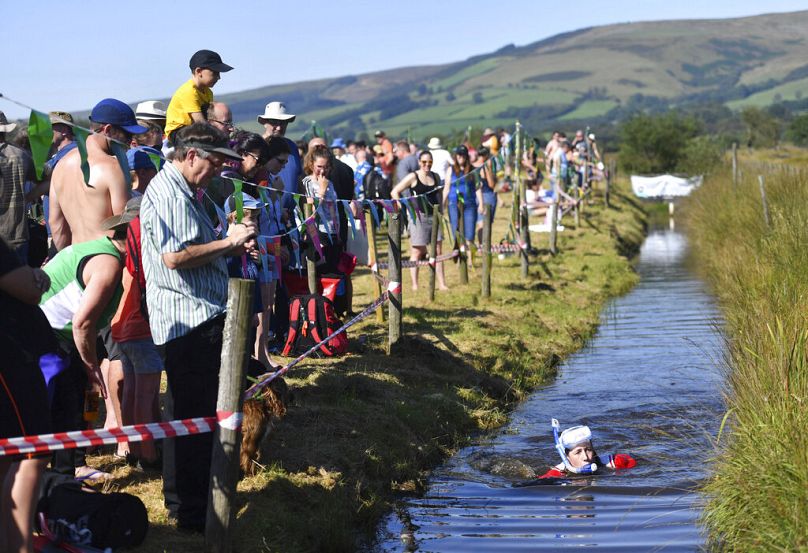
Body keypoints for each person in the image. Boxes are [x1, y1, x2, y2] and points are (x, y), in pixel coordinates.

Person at [140, 123, 255, 533]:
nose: (218, 170)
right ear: (191, 155)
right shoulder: (170, 191)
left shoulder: (185, 190)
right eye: (215, 162)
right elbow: (176, 256)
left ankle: (189, 503)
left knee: (193, 416)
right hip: (188, 321)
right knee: (193, 421)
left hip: (199, 315)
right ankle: (190, 514)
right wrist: (230, 243)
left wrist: (227, 239)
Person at [38, 206, 133, 481]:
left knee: (80, 397)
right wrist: (91, 366)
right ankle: (67, 472)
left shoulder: (101, 248)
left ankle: (72, 462)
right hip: (51, 334)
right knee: (72, 399)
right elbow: (81, 324)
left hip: (55, 331)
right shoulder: (109, 265)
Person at [0, 236, 55, 553]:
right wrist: (37, 278)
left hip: (14, 353)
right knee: (31, 454)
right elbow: (29, 289)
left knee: (11, 458)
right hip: (11, 356)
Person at [49, 98, 146, 251]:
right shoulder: (112, 168)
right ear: (107, 130)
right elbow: (125, 225)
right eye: (126, 134)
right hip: (108, 258)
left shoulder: (60, 166)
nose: (130, 141)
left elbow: (56, 225)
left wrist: (66, 262)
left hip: (76, 261)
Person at [391, 150, 448, 291]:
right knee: (416, 251)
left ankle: (442, 284)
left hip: (435, 216)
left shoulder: (436, 176)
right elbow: (395, 191)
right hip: (418, 216)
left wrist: (441, 210)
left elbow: (439, 195)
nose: (427, 165)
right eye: (424, 162)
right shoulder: (413, 176)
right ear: (419, 162)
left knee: (438, 251)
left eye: (429, 162)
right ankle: (415, 285)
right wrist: (399, 205)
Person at [164, 49, 233, 139]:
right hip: (179, 131)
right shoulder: (189, 91)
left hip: (193, 128)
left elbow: (209, 116)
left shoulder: (208, 92)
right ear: (199, 71)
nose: (219, 77)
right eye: (215, 73)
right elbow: (200, 122)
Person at [538, 420, 636, 479]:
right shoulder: (556, 474)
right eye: (578, 452)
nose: (585, 457)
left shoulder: (614, 462)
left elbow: (631, 461)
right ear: (567, 456)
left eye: (588, 450)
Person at [0, 110, 36, 264]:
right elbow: (48, 179)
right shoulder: (20, 155)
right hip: (17, 235)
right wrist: (27, 197)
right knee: (19, 286)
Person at [302, 144, 341, 274]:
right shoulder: (308, 182)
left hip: (333, 232)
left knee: (334, 272)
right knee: (322, 273)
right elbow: (311, 210)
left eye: (326, 167)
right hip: (319, 232)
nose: (323, 171)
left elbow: (333, 209)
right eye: (319, 167)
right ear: (311, 164)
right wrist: (322, 191)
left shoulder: (330, 183)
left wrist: (338, 231)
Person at [258, 101, 301, 210]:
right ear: (264, 122)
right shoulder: (256, 147)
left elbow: (298, 180)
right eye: (274, 122)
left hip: (291, 215)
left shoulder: (292, 147)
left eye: (283, 122)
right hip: (266, 213)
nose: (279, 127)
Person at [443, 145, 478, 244]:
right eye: (459, 154)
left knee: (470, 235)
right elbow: (446, 188)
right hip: (454, 204)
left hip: (470, 204)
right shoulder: (451, 170)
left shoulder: (473, 170)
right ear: (456, 156)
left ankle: (470, 259)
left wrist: (482, 204)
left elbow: (477, 188)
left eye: (463, 155)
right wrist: (442, 204)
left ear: (467, 156)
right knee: (456, 234)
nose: (460, 157)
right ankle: (459, 257)